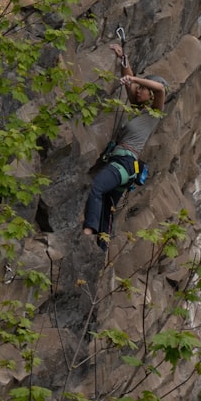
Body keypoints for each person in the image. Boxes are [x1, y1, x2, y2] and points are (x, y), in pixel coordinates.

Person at [82, 42, 168, 247]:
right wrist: (123, 59)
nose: (138, 91)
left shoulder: (153, 115)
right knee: (106, 208)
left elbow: (161, 88)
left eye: (143, 90)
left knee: (96, 188)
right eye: (139, 89)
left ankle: (87, 232)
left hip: (124, 163)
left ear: (152, 96)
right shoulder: (138, 109)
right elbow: (130, 83)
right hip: (124, 166)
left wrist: (135, 79)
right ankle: (100, 250)